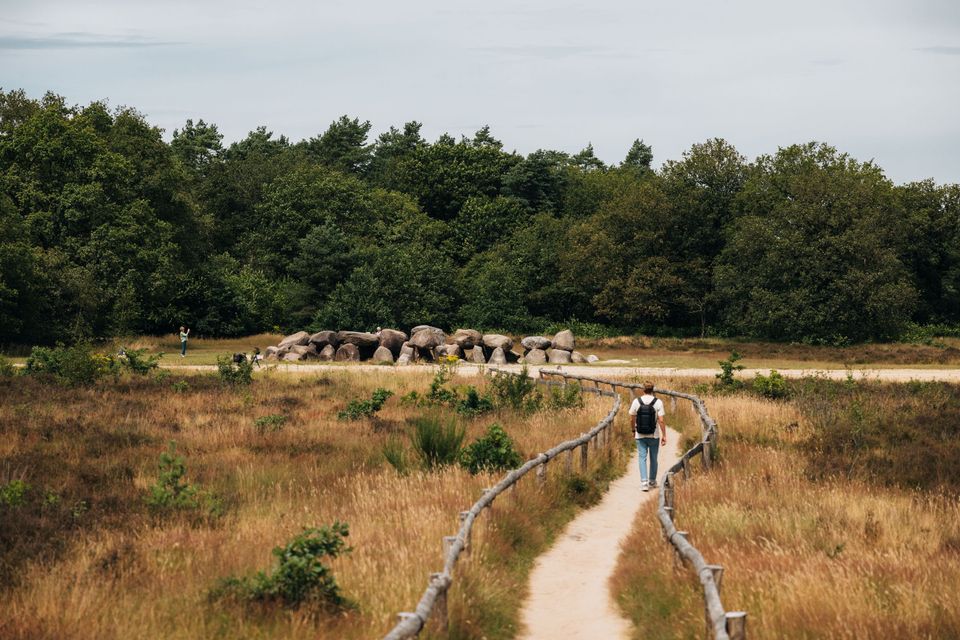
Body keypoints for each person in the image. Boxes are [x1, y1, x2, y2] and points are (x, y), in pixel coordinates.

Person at [628, 380, 667, 492]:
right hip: (654, 435)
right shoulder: (658, 402)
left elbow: (632, 418)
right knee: (654, 458)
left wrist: (633, 430)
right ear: (652, 390)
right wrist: (664, 435)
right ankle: (652, 481)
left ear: (643, 389)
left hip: (640, 435)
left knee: (642, 458)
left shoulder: (637, 401)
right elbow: (661, 421)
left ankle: (644, 482)